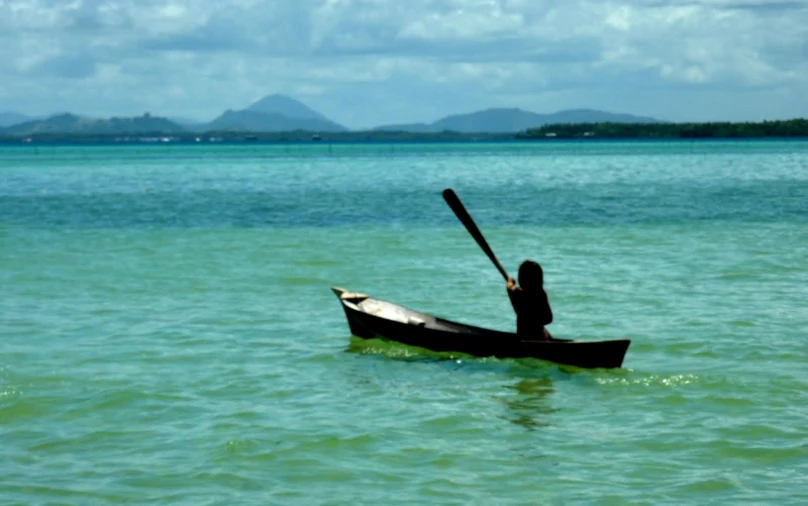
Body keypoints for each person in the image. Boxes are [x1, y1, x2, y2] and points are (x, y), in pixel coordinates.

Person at [506, 260, 553, 340]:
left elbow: (510, 288)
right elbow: (548, 319)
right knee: (544, 332)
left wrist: (510, 282)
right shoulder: (541, 294)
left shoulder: (518, 293)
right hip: (541, 337)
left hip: (525, 338)